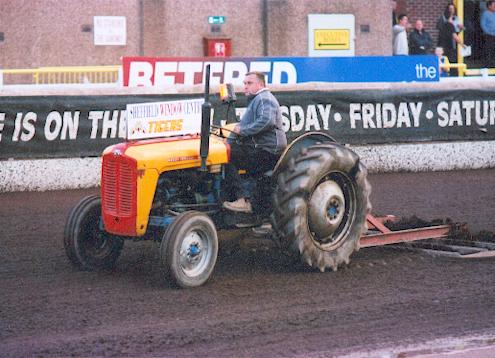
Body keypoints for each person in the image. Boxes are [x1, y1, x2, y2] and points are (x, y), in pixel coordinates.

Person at [222, 71, 287, 213]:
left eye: (249, 83)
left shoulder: (264, 98)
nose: (245, 87)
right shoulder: (257, 100)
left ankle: (242, 199)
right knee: (230, 151)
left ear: (261, 84)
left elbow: (267, 121)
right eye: (244, 84)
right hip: (261, 148)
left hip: (268, 150)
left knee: (227, 157)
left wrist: (243, 132)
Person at [481, 0, 495, 67]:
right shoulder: (485, 13)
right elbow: (483, 24)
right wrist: (488, 32)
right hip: (489, 36)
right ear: (489, 6)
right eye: (493, 5)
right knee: (489, 50)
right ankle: (488, 65)